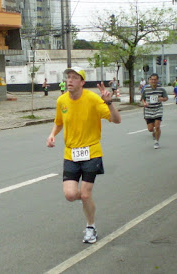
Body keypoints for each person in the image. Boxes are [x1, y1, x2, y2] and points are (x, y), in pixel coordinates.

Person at [46, 67, 121, 244]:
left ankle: (90, 227)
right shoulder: (62, 100)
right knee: (71, 195)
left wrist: (109, 103)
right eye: (67, 77)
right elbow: (58, 122)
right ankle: (88, 202)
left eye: (74, 77)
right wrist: (52, 135)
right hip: (71, 153)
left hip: (91, 152)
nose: (69, 80)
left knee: (85, 195)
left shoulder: (93, 99)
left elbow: (116, 120)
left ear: (82, 82)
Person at [141, 73, 168, 149]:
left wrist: (162, 99)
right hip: (148, 110)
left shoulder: (161, 89)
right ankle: (153, 133)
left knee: (157, 126)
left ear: (157, 80)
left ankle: (156, 141)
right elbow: (142, 98)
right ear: (149, 80)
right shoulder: (146, 89)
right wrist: (144, 103)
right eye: (152, 79)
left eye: (155, 79)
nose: (153, 81)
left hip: (158, 109)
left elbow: (166, 98)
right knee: (150, 129)